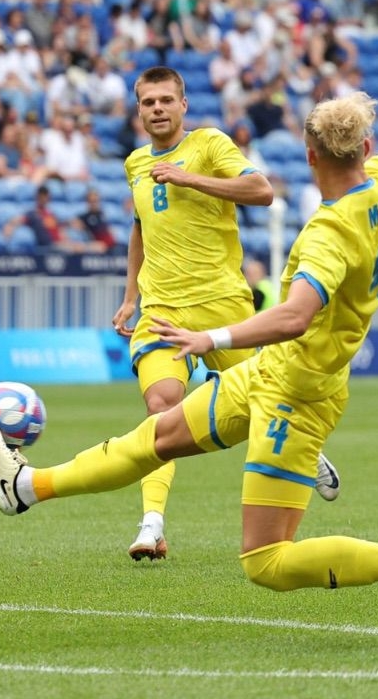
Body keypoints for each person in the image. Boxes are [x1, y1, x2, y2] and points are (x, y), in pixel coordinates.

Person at [0, 25, 378, 624]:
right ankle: (25, 487)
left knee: (266, 561)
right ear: (367, 150)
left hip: (299, 394)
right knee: (160, 434)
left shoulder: (330, 231)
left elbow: (295, 316)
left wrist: (209, 339)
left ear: (311, 155)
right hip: (273, 373)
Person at [111, 66, 339, 563]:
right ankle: (151, 526)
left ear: (183, 104)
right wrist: (130, 296)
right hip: (161, 313)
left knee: (268, 404)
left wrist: (187, 177)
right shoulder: (134, 163)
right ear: (138, 108)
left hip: (222, 307)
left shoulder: (210, 145)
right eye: (148, 102)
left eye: (166, 100)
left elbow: (262, 191)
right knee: (162, 410)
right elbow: (140, 227)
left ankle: (304, 450)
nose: (157, 109)